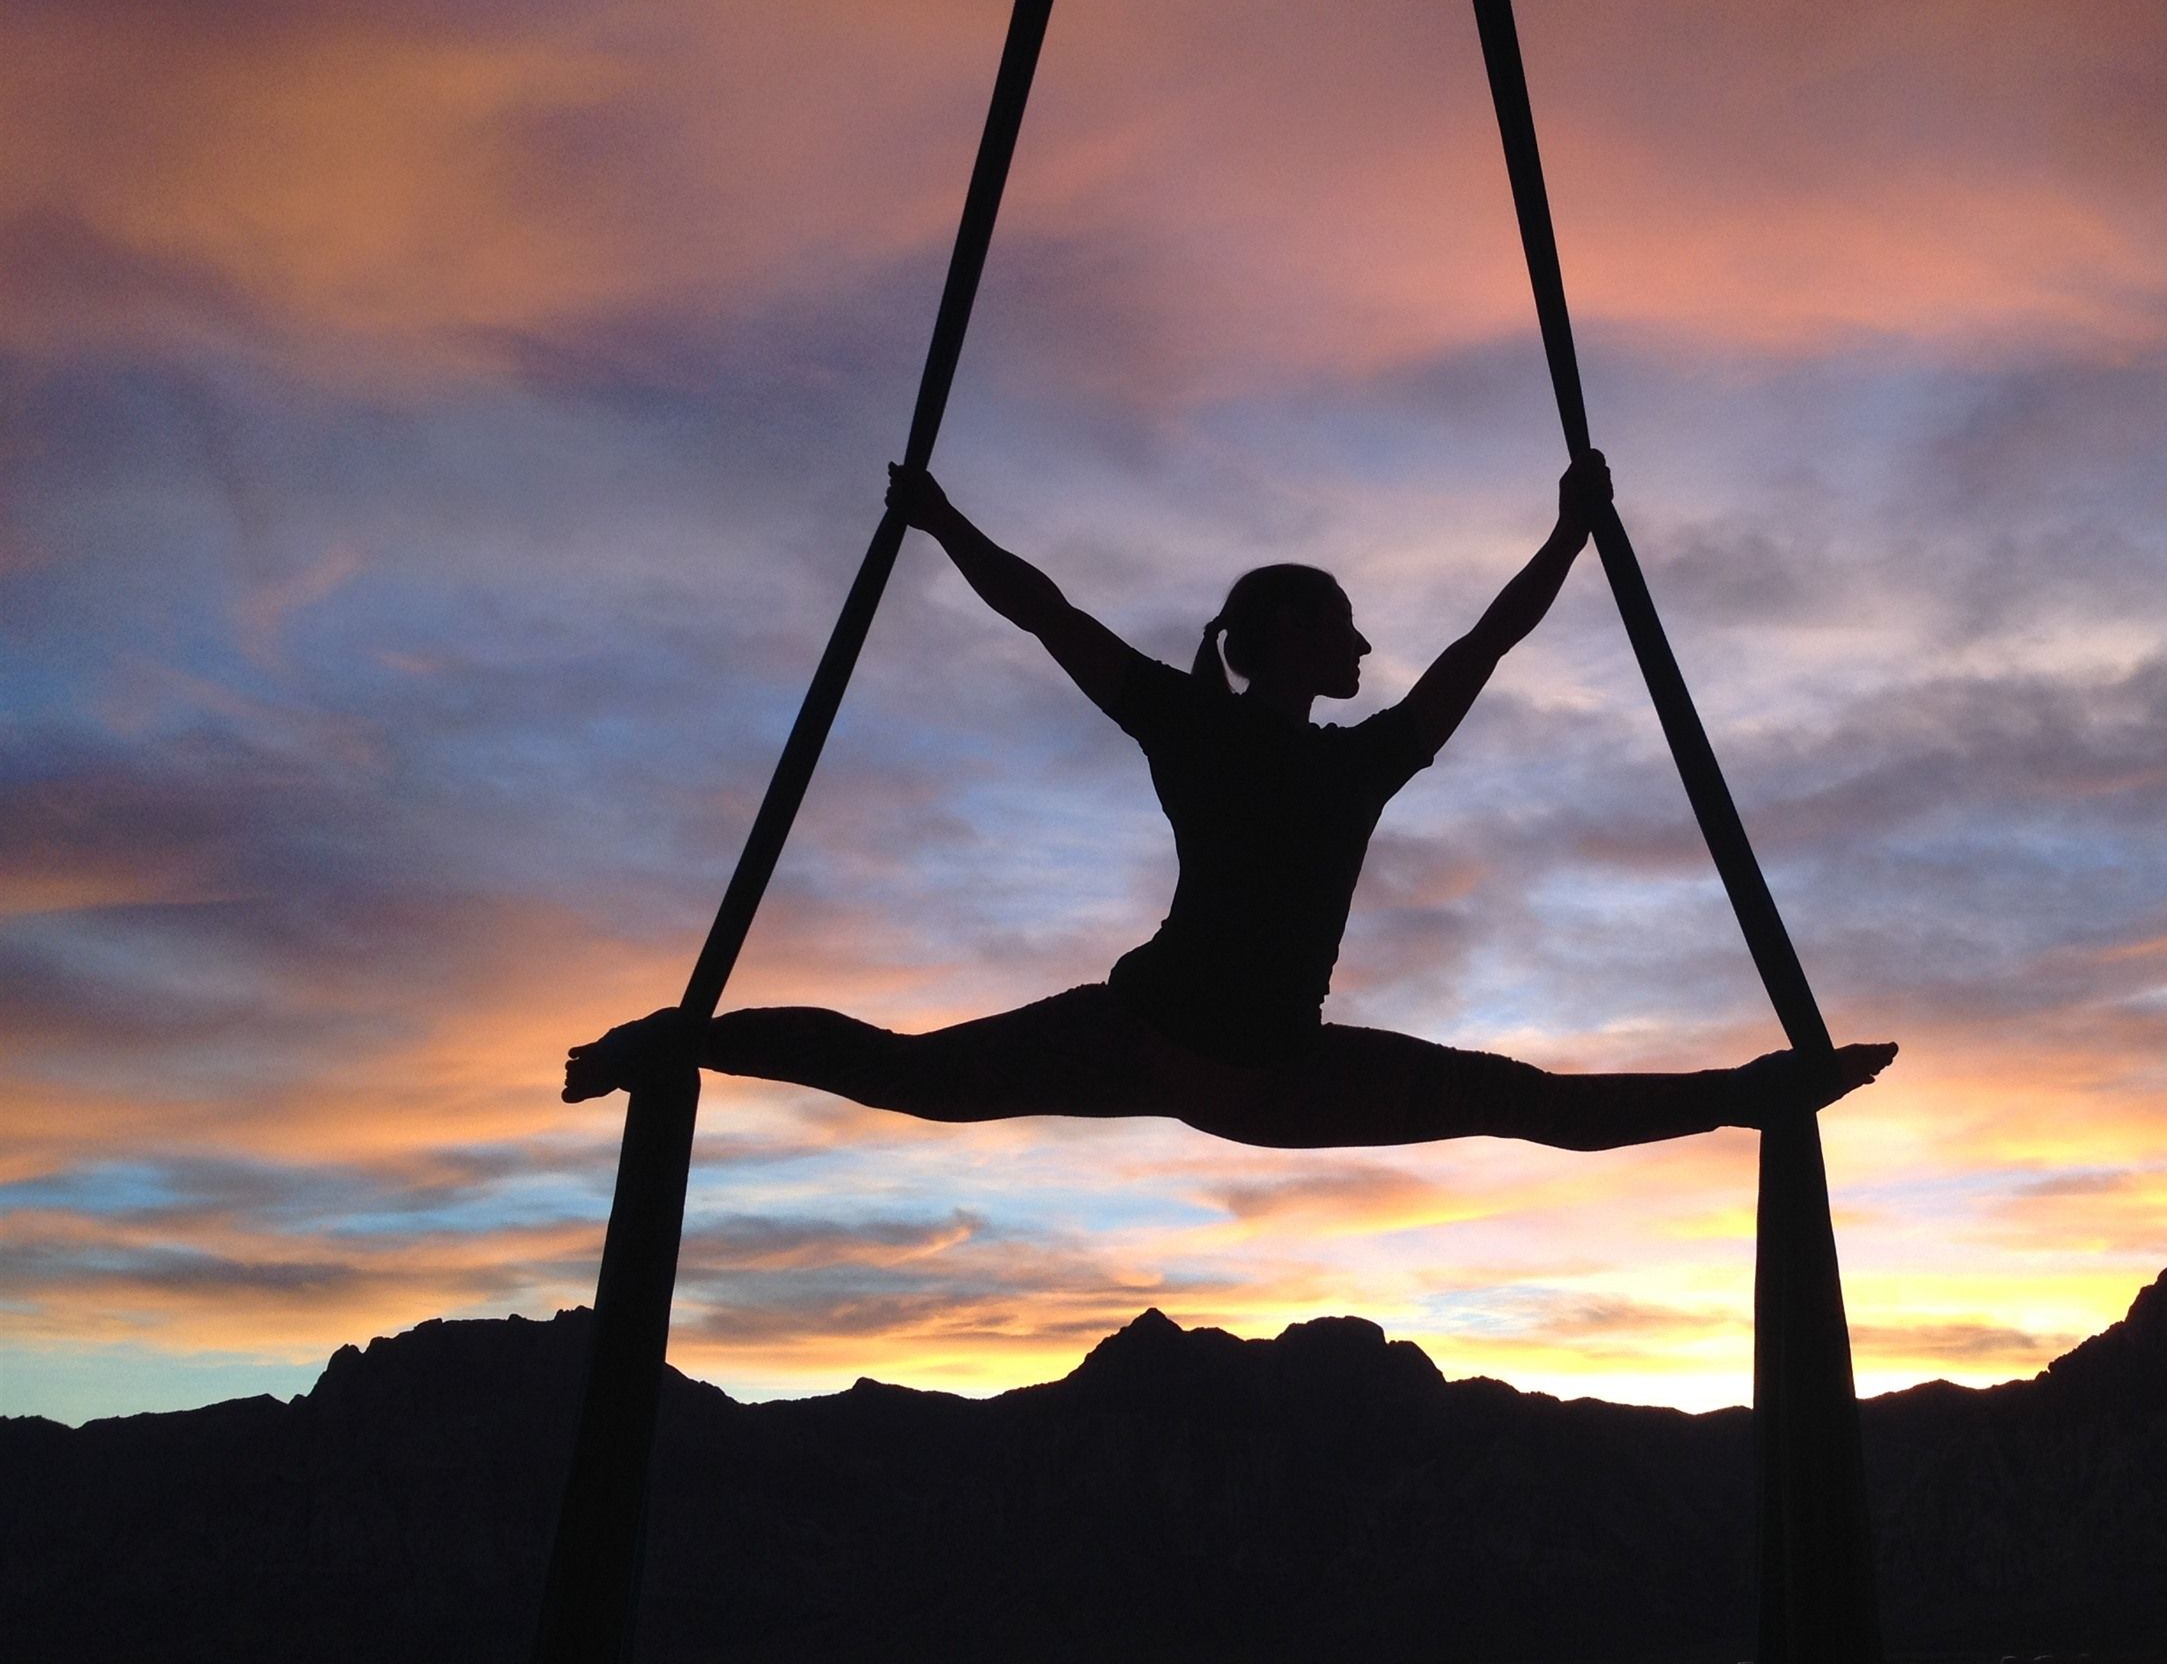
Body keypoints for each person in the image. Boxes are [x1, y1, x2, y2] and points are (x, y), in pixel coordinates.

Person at [565, 451, 1895, 1150]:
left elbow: (1479, 644)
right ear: (1290, 648)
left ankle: (1760, 1093)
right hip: (1205, 1052)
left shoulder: (1261, 736)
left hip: (1210, 1050)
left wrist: (1570, 538)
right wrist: (937, 520)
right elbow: (1050, 615)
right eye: (1346, 631)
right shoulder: (1294, 747)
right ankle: (677, 1041)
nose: (1368, 651)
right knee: (1521, 1101)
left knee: (1521, 1099)